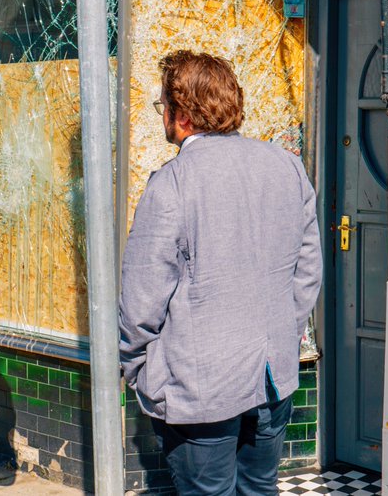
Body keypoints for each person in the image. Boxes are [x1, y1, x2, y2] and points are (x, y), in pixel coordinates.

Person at [119, 50, 323, 496]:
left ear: (183, 115)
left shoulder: (171, 182)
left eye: (163, 106)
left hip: (200, 387)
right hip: (272, 374)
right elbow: (307, 271)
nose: (162, 115)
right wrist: (282, 333)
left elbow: (141, 297)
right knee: (260, 489)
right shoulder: (286, 166)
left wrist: (139, 367)